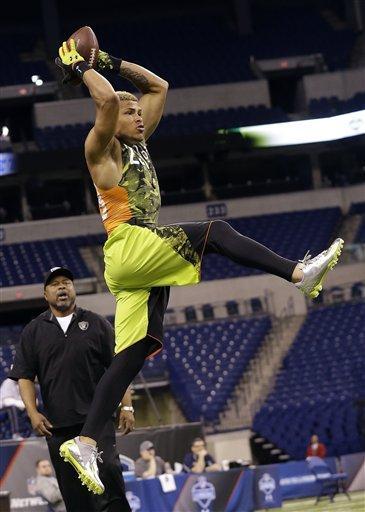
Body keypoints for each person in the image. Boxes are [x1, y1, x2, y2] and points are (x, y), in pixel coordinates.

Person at [55, 39, 344, 494]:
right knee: (218, 233)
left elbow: (157, 84)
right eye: (131, 115)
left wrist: (109, 60)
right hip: (130, 244)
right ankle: (298, 274)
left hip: (135, 260)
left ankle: (87, 441)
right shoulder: (103, 149)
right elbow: (109, 100)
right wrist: (80, 69)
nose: (138, 117)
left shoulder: (137, 141)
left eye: (137, 114)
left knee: (132, 352)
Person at [9, 266, 133, 512]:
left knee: (109, 476)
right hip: (59, 427)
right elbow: (24, 376)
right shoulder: (34, 331)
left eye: (67, 282)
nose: (62, 287)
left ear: (74, 289)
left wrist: (126, 405)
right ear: (46, 295)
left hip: (97, 421)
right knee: (74, 495)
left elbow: (119, 367)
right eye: (55, 285)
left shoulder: (96, 323)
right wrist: (33, 413)